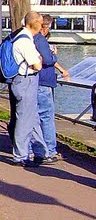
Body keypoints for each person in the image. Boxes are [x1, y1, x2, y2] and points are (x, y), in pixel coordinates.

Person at [7, 11, 45, 166]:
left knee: (32, 117)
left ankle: (41, 151)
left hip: (24, 80)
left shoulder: (23, 37)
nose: (42, 27)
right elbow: (37, 64)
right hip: (25, 80)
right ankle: (20, 155)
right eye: (41, 23)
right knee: (24, 119)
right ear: (34, 23)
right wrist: (39, 61)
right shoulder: (25, 41)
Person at [32, 16, 70, 164]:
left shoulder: (30, 39)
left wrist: (61, 69)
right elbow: (48, 60)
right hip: (44, 81)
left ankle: (34, 149)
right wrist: (53, 54)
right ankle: (49, 150)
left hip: (35, 81)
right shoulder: (40, 40)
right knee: (46, 116)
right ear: (44, 27)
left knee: (35, 116)